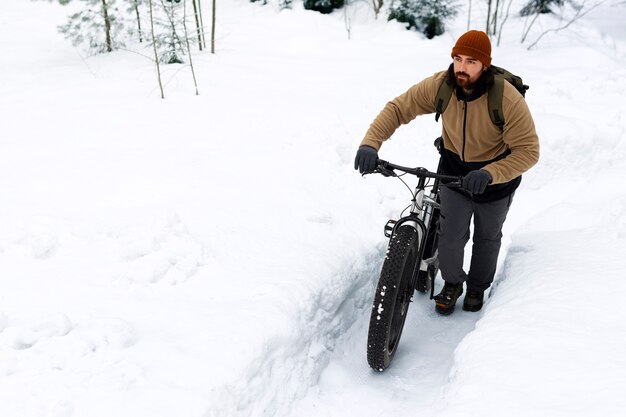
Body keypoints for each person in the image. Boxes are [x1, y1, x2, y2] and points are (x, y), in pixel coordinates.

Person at [354, 30, 539, 315]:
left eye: (471, 62)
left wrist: (490, 173)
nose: (461, 67)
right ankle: (453, 283)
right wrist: (370, 143)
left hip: (496, 179)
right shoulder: (443, 85)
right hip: (454, 173)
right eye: (457, 59)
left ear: (485, 65)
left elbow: (528, 151)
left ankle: (477, 287)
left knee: (487, 238)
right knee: (450, 236)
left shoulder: (506, 98)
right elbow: (398, 108)